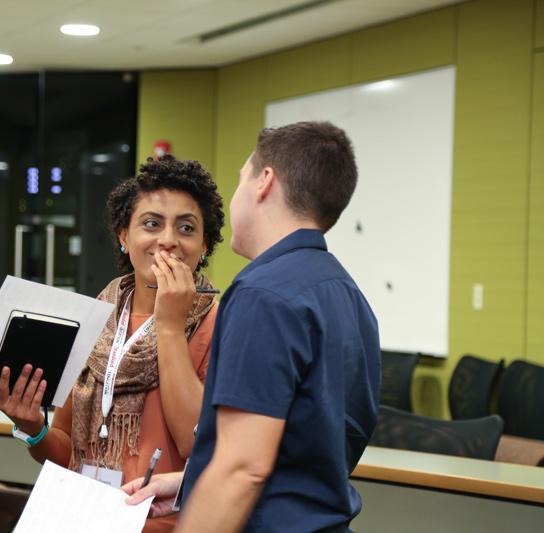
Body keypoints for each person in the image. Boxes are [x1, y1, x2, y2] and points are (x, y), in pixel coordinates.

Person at [124, 122, 381, 532]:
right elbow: (305, 449)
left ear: (264, 181)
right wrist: (190, 481)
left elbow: (243, 468)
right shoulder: (347, 293)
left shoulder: (263, 293)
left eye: (241, 178)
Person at [0, 155, 225, 532]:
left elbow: (197, 447)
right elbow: (66, 451)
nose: (167, 240)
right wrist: (33, 427)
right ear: (124, 236)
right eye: (151, 224)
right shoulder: (96, 319)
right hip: (80, 518)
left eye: (186, 228)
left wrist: (169, 327)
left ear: (203, 247)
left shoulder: (220, 324)